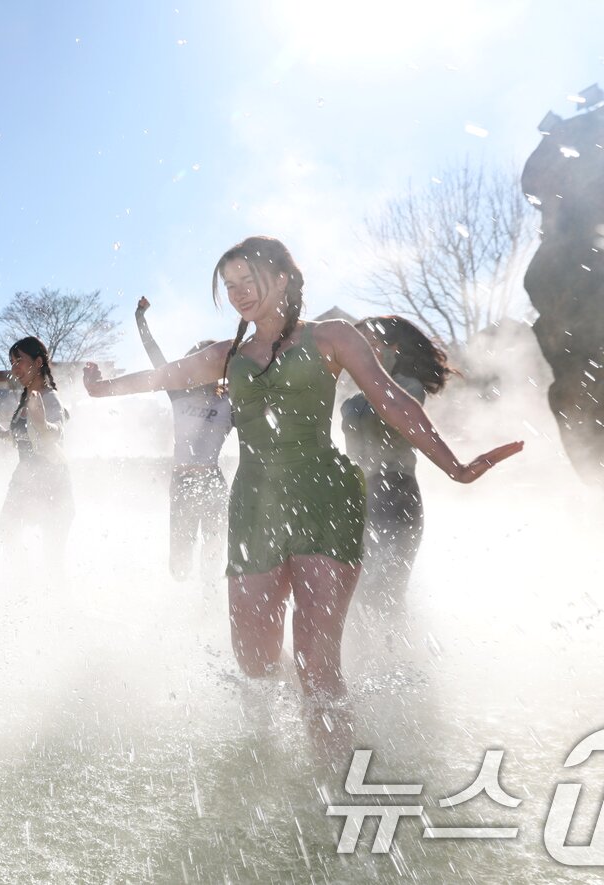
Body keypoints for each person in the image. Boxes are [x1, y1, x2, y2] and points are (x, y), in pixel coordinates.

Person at [82, 236, 521, 757]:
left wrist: (455, 466)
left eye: (248, 280)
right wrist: (101, 389)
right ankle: (274, 754)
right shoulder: (227, 356)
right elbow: (161, 378)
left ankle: (336, 777)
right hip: (254, 504)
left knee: (317, 659)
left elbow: (393, 400)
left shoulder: (333, 336)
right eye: (230, 285)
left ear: (283, 278)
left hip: (323, 496)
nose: (238, 293)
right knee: (254, 660)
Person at [341, 315, 453, 622]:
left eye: (368, 345)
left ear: (393, 349)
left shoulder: (408, 388)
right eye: (353, 345)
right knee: (353, 591)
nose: (357, 352)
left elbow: (391, 414)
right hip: (356, 499)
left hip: (396, 495)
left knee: (384, 591)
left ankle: (403, 662)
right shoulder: (352, 399)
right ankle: (359, 664)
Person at [134, 296, 233, 581]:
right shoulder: (178, 391)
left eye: (212, 361)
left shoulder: (230, 400)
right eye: (198, 360)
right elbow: (154, 354)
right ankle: (178, 608)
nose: (203, 366)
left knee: (213, 551)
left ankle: (207, 606)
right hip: (182, 482)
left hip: (212, 481)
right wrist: (140, 318)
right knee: (180, 558)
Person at [0, 336, 73, 556]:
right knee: (7, 530)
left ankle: (49, 586)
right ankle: (23, 580)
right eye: (11, 363)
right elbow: (25, 437)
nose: (14, 368)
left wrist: (42, 424)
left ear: (38, 363)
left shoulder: (50, 398)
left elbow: (55, 433)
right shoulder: (26, 399)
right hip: (24, 479)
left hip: (52, 482)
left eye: (19, 360)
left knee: (52, 554)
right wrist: (6, 435)